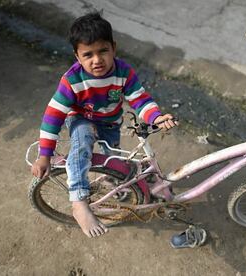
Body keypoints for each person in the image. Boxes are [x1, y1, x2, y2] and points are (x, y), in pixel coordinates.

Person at [31, 11, 177, 238]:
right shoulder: (72, 80)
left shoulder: (123, 72)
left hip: (110, 121)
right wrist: (44, 154)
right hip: (82, 119)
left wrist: (155, 117)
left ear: (113, 48)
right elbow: (53, 117)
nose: (97, 60)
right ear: (77, 57)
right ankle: (79, 202)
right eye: (87, 54)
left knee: (114, 156)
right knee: (82, 146)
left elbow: (139, 99)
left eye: (103, 51)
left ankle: (111, 179)